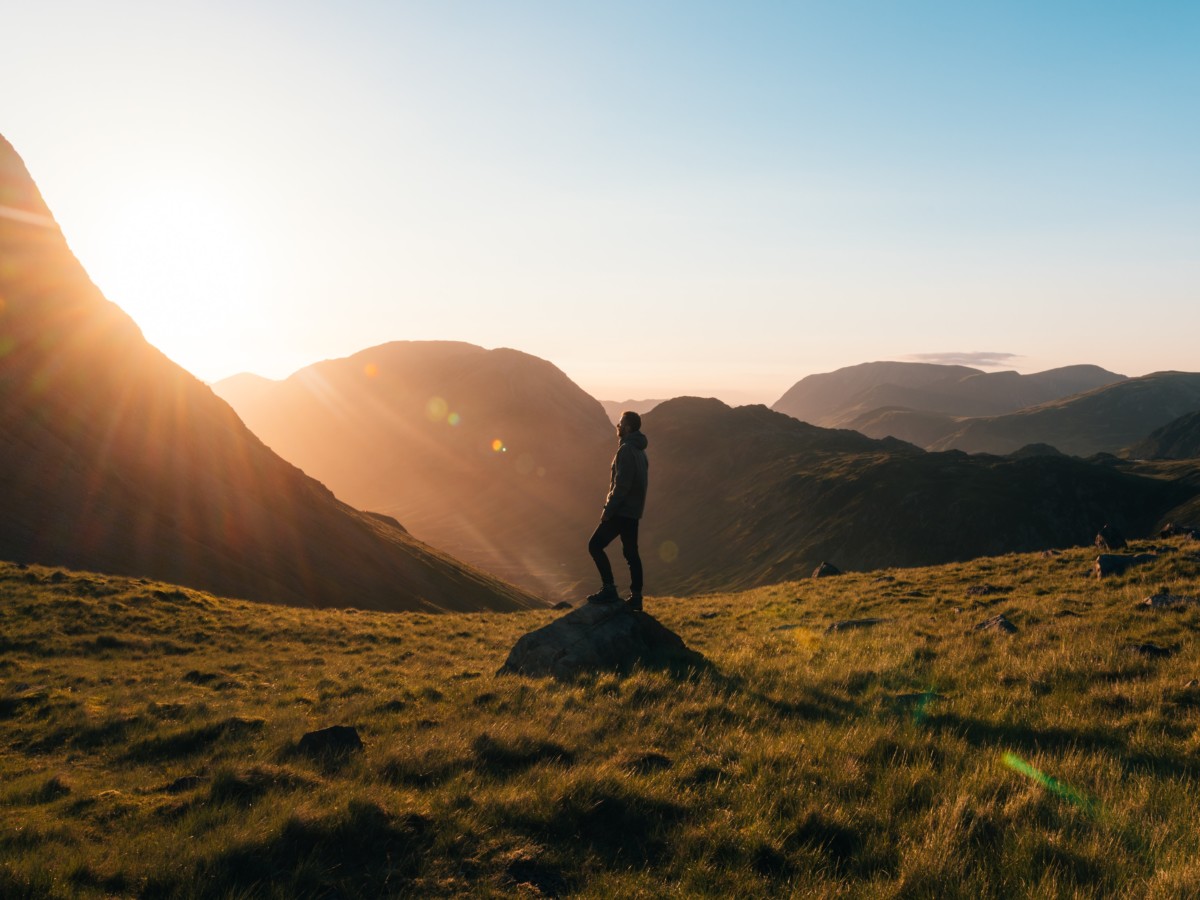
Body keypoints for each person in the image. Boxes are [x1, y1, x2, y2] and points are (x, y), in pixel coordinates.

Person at [587, 410, 649, 611]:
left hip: (621, 511)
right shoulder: (640, 452)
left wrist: (608, 509)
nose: (618, 426)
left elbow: (621, 485)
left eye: (621, 423)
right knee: (631, 554)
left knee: (595, 545)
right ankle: (637, 597)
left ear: (628, 427)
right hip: (633, 513)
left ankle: (609, 588)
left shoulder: (626, 450)